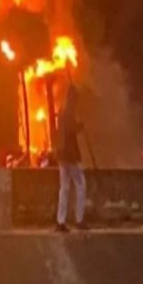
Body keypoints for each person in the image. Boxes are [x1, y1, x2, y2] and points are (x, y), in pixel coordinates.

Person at [55, 84, 87, 232]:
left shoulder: (61, 111)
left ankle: (61, 221)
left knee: (65, 188)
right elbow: (71, 130)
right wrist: (81, 125)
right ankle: (79, 220)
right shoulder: (69, 112)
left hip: (62, 154)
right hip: (71, 155)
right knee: (80, 185)